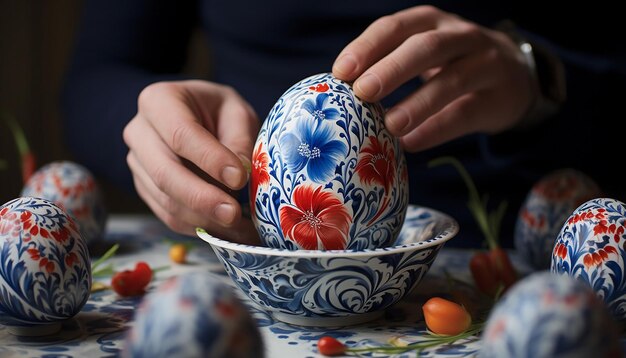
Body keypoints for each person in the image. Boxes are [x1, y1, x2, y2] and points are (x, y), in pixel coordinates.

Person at [62, 1, 626, 248]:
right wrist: (157, 128)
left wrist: (542, 79)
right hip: (252, 251)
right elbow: (95, 75)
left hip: (504, 253)